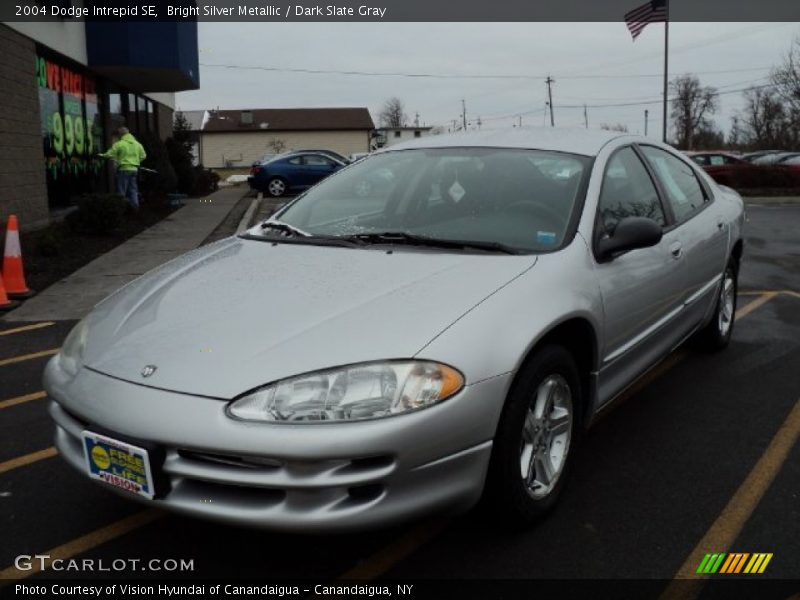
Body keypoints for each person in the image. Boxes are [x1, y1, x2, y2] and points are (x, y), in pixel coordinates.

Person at [99, 127, 147, 210]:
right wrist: (135, 161)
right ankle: (135, 208)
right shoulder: (137, 144)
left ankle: (120, 209)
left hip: (124, 169)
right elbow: (143, 156)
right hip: (134, 170)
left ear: (120, 135)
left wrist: (101, 155)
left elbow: (110, 154)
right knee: (133, 190)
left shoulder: (120, 144)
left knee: (121, 191)